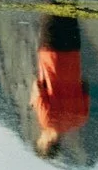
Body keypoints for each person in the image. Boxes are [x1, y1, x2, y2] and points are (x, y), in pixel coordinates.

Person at [32, 13, 90, 157]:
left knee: (69, 7)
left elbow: (85, 85)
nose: (39, 136)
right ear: (46, 143)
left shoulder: (79, 120)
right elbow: (38, 87)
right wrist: (32, 101)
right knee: (52, 3)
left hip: (73, 53)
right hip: (50, 52)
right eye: (39, 140)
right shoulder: (46, 120)